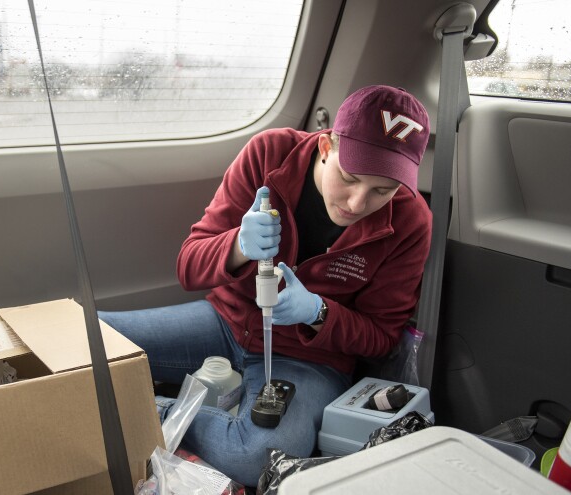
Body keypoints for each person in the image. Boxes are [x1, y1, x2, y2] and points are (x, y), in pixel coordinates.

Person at [99, 85, 432, 487]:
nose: (358, 204)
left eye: (383, 190)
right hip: (225, 321)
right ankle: (141, 407)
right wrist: (237, 245)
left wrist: (319, 312)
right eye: (349, 177)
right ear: (326, 145)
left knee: (258, 458)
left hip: (310, 360)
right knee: (85, 342)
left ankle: (150, 410)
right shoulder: (270, 154)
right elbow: (189, 267)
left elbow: (380, 338)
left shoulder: (412, 221)